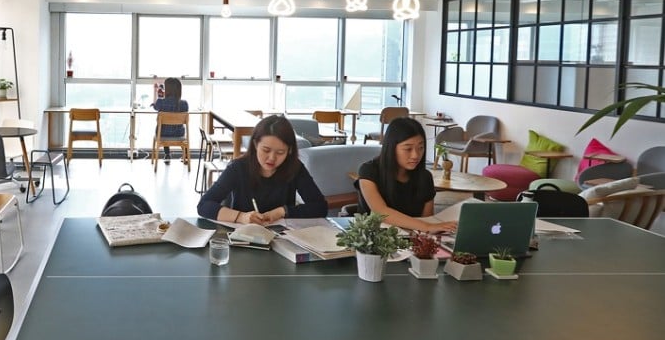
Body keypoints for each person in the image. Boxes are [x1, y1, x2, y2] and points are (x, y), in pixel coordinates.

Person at [197, 115, 327, 224]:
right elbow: (204, 205)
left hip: (281, 239)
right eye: (266, 150)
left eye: (280, 152)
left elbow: (320, 207)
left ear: (289, 151)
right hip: (243, 238)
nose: (271, 158)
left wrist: (282, 211)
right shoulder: (238, 168)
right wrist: (241, 217)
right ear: (255, 145)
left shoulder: (294, 167)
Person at [355, 117, 458, 233]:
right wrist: (427, 227)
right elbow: (381, 212)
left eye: (421, 148)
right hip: (374, 238)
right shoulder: (369, 171)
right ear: (391, 148)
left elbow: (427, 219)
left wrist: (430, 228)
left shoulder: (425, 177)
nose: (415, 155)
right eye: (408, 149)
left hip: (411, 239)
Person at [152, 77, 189, 163]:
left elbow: (155, 107)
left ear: (167, 89)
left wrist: (155, 92)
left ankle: (167, 153)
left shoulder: (160, 102)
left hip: (163, 134)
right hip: (179, 134)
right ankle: (185, 154)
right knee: (175, 128)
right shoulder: (184, 104)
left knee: (163, 128)